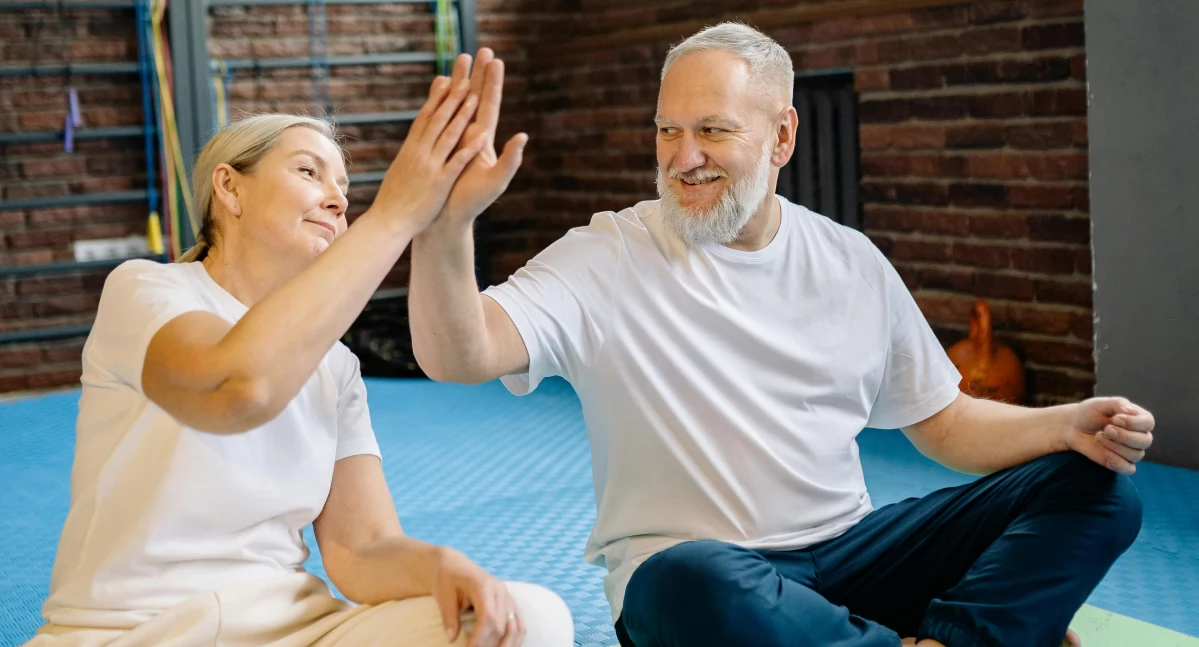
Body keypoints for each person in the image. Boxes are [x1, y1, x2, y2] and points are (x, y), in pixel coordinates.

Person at [407, 23, 1154, 647]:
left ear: (782, 135)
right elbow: (458, 353)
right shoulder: (604, 255)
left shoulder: (848, 260)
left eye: (712, 130)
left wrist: (1062, 426)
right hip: (706, 585)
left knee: (1098, 488)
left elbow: (946, 421)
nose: (683, 156)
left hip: (854, 556)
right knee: (686, 578)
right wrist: (445, 225)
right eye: (667, 131)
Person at [26, 53, 571, 647]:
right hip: (134, 634)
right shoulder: (146, 291)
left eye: (345, 188)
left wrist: (443, 566)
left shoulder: (337, 367)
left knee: (528, 619)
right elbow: (235, 387)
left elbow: (361, 550)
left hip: (292, 633)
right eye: (310, 173)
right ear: (229, 188)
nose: (338, 200)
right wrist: (393, 215)